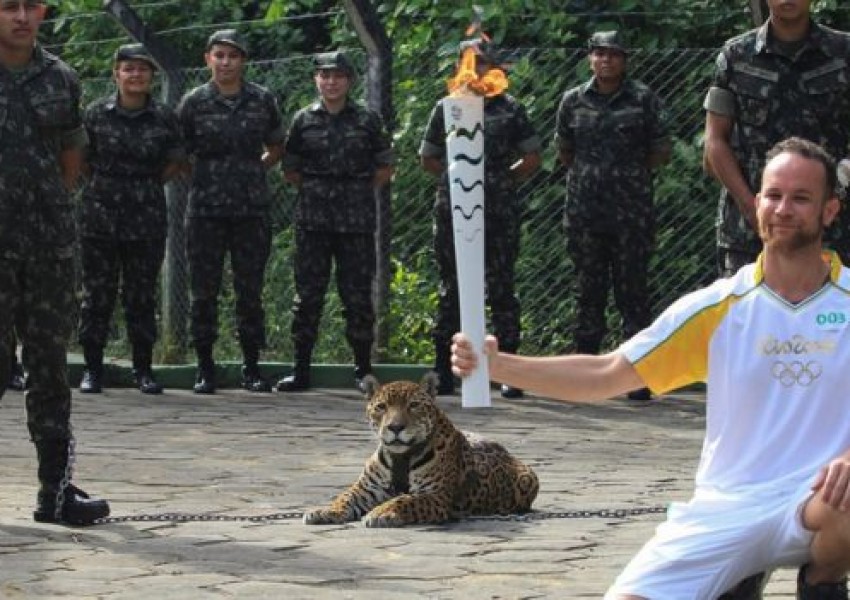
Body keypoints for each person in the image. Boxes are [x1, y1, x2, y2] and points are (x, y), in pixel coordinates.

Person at [452, 137, 850, 599]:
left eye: (801, 198)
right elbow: (607, 373)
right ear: (757, 203)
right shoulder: (719, 307)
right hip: (727, 508)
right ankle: (738, 571)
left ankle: (824, 579)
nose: (783, 209)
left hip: (820, 503)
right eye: (774, 196)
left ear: (829, 211)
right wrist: (499, 364)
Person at [0, 0, 109, 524]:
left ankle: (56, 492)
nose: (20, 17)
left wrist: (44, 208)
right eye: (7, 7)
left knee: (48, 366)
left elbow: (71, 155)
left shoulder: (60, 78)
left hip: (47, 246)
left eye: (30, 7)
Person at [419, 38, 541, 398]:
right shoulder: (448, 106)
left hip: (498, 212)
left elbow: (532, 158)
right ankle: (444, 370)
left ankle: (507, 372)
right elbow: (428, 158)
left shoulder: (510, 108)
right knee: (451, 288)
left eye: (483, 61)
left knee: (501, 287)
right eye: (469, 60)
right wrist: (458, 182)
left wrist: (500, 181)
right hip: (454, 212)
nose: (477, 67)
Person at [554, 30, 671, 402]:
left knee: (632, 294)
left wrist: (626, 177)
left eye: (614, 54)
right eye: (600, 54)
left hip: (631, 214)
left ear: (625, 59)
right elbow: (565, 151)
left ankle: (636, 377)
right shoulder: (573, 101)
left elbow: (660, 151)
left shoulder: (643, 100)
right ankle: (583, 378)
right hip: (586, 213)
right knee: (587, 293)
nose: (606, 60)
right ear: (590, 58)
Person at [275, 51, 394, 393]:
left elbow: (385, 167)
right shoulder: (303, 120)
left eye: (338, 76)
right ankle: (301, 370)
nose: (331, 82)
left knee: (357, 297)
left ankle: (362, 369)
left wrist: (352, 191)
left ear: (349, 81)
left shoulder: (368, 120)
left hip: (355, 222)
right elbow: (291, 170)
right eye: (325, 76)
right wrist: (321, 190)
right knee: (307, 296)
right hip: (313, 222)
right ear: (316, 80)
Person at [704, 0, 850, 277]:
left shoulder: (843, 52)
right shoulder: (736, 55)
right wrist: (753, 209)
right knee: (747, 316)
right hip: (748, 231)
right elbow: (715, 142)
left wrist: (841, 182)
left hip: (832, 224)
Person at [177, 29, 284, 394]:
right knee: (203, 291)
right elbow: (180, 154)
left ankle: (251, 367)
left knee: (249, 291)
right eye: (219, 55)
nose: (225, 62)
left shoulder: (261, 99)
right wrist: (206, 179)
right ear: (208, 59)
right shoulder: (193, 103)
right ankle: (205, 368)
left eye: (233, 56)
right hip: (205, 210)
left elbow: (275, 145)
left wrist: (253, 171)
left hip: (250, 211)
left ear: (243, 61)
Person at [77, 43, 185, 396]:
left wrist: (143, 185)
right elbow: (81, 159)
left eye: (142, 69)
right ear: (116, 74)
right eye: (128, 68)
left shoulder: (165, 117)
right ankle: (93, 369)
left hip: (146, 217)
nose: (135, 74)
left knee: (141, 296)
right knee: (97, 295)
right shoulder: (95, 114)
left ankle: (143, 370)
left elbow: (173, 162)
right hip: (100, 217)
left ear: (152, 76)